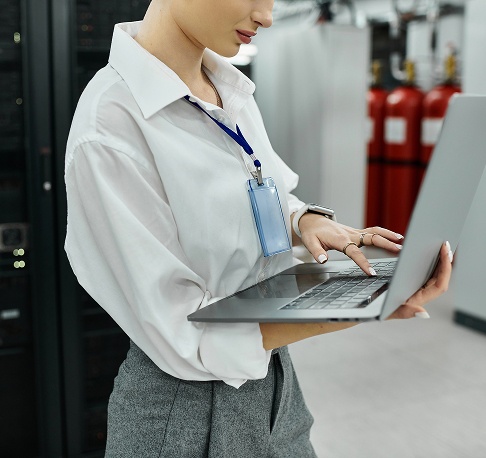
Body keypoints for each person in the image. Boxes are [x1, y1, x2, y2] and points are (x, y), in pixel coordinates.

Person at [64, 0, 453, 456]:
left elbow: (258, 186)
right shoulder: (109, 126)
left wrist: (302, 218)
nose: (267, 16)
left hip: (274, 382)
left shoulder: (227, 88)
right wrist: (355, 307)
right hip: (184, 412)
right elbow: (187, 334)